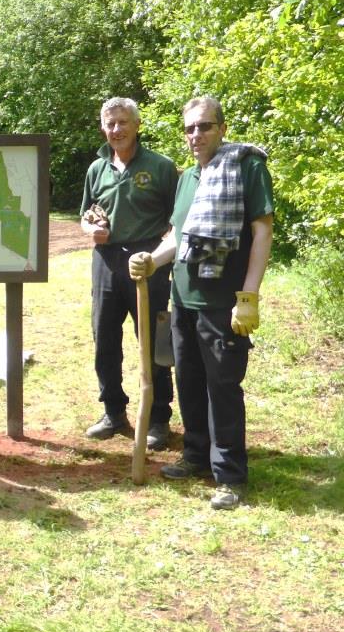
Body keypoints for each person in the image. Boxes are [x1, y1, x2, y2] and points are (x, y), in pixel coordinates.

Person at [128, 96, 273, 510]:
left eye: (205, 126)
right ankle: (195, 455)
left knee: (222, 386)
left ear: (222, 128)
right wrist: (151, 260)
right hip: (183, 299)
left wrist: (248, 296)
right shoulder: (188, 177)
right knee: (188, 381)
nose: (196, 135)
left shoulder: (246, 168)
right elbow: (179, 235)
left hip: (223, 302)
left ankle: (229, 475)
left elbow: (262, 232)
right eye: (190, 128)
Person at [80, 97, 178, 449]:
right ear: (103, 128)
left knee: (153, 342)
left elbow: (177, 221)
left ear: (137, 125)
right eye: (110, 124)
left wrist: (158, 254)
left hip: (147, 262)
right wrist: (91, 230)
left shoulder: (162, 166)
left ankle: (157, 418)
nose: (116, 130)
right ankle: (113, 412)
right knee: (104, 339)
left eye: (122, 122)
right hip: (106, 262)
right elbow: (85, 215)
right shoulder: (97, 169)